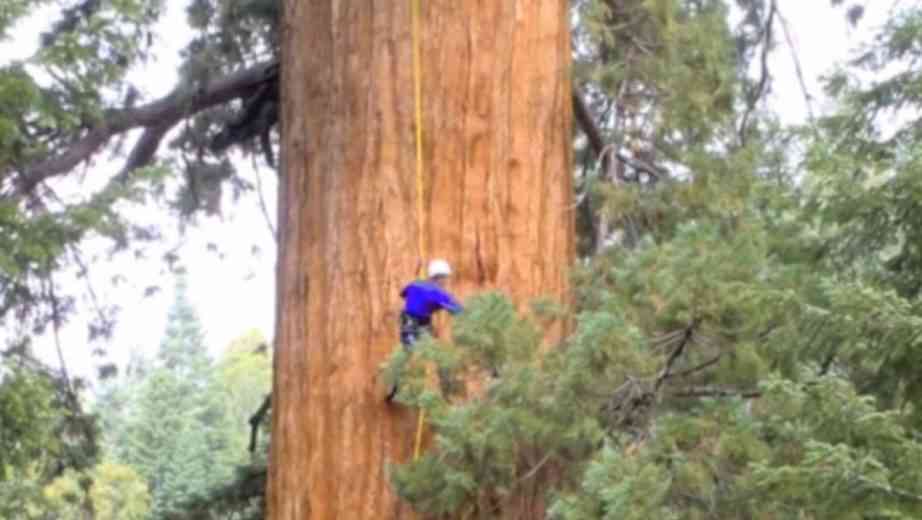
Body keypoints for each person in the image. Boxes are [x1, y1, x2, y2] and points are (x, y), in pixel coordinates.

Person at [386, 258, 463, 402]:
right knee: (435, 355)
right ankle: (446, 393)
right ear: (440, 277)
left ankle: (394, 389)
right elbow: (457, 310)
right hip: (421, 323)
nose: (446, 281)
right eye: (445, 278)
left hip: (408, 320)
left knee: (406, 353)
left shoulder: (415, 284)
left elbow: (404, 293)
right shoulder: (439, 294)